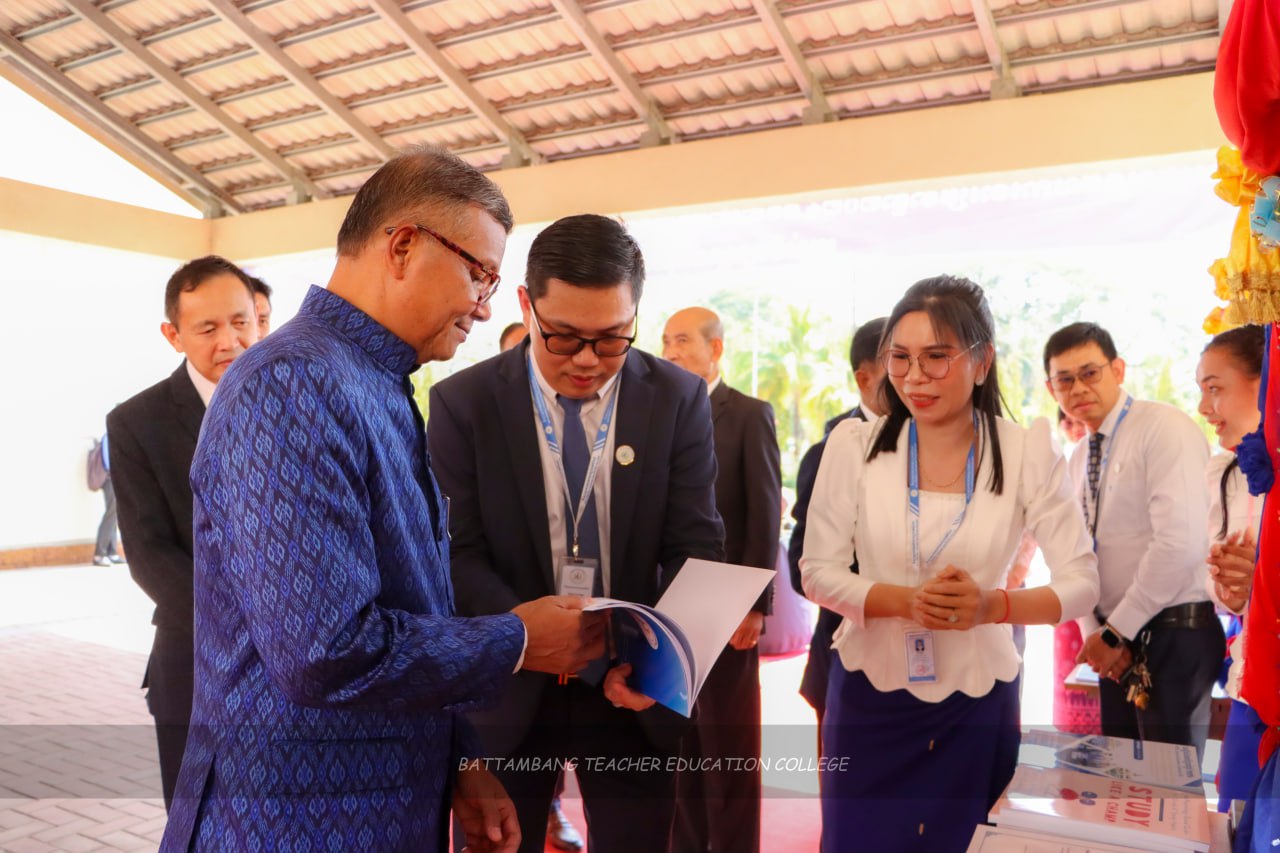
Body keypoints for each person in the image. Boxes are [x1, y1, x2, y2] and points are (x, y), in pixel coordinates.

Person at [159, 146, 606, 852]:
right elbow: (324, 649)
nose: (486, 307)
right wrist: (518, 639)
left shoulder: (374, 380)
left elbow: (412, 605)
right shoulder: (291, 385)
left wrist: (461, 758)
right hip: (292, 822)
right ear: (402, 245)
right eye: (479, 273)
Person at [427, 214, 725, 853]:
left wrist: (656, 668)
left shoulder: (676, 398)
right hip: (510, 682)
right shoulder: (464, 403)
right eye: (563, 337)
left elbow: (696, 547)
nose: (588, 361)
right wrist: (531, 633)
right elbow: (456, 554)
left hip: (630, 688)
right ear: (526, 306)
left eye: (613, 338)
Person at [802, 276, 1098, 853]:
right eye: (901, 358)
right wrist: (903, 601)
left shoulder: (1024, 449)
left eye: (936, 358)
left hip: (976, 698)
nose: (915, 377)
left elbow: (1082, 582)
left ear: (981, 361)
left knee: (963, 840)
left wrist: (994, 606)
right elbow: (817, 571)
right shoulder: (854, 447)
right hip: (871, 692)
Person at [107, 255, 258, 810]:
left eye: (241, 321)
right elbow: (149, 554)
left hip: (302, 674)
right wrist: (261, 621)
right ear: (173, 335)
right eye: (208, 328)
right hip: (197, 664)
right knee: (199, 821)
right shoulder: (136, 422)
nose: (231, 340)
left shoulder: (300, 402)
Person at [1045, 322, 1224, 757]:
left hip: (1174, 631)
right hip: (1116, 642)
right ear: (1052, 390)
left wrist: (1114, 632)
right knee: (1123, 788)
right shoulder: (1075, 458)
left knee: (1168, 796)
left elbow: (1179, 544)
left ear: (1118, 369)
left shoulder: (1163, 428)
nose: (1078, 388)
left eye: (1089, 372)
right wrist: (1101, 635)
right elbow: (1074, 555)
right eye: (1064, 379)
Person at [662, 306, 781, 853]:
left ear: (717, 349)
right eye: (665, 340)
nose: (671, 350)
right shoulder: (658, 413)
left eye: (682, 340)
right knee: (679, 740)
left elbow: (763, 511)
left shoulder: (748, 414)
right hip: (668, 606)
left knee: (729, 743)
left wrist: (756, 605)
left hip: (729, 605)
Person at [789, 316, 887, 729]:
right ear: (864, 379)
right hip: (844, 660)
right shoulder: (830, 451)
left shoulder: (938, 447)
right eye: (898, 363)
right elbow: (800, 565)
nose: (915, 377)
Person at [1196, 325, 1266, 810]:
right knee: (1239, 820)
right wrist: (1233, 587)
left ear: (1266, 383)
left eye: (1214, 388)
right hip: (1252, 686)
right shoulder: (1223, 474)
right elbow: (1214, 583)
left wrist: (1262, 575)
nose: (1204, 409)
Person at [1050, 407, 1103, 735]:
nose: (1073, 427)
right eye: (1067, 421)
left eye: (1078, 421)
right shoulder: (1066, 461)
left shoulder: (1098, 455)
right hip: (1070, 588)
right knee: (1072, 677)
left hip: (1107, 589)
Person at [91, 430, 124, 566]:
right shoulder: (108, 436)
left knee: (114, 514)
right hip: (110, 480)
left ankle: (112, 551)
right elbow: (107, 460)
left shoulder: (115, 434)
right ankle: (100, 554)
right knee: (111, 514)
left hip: (115, 479)